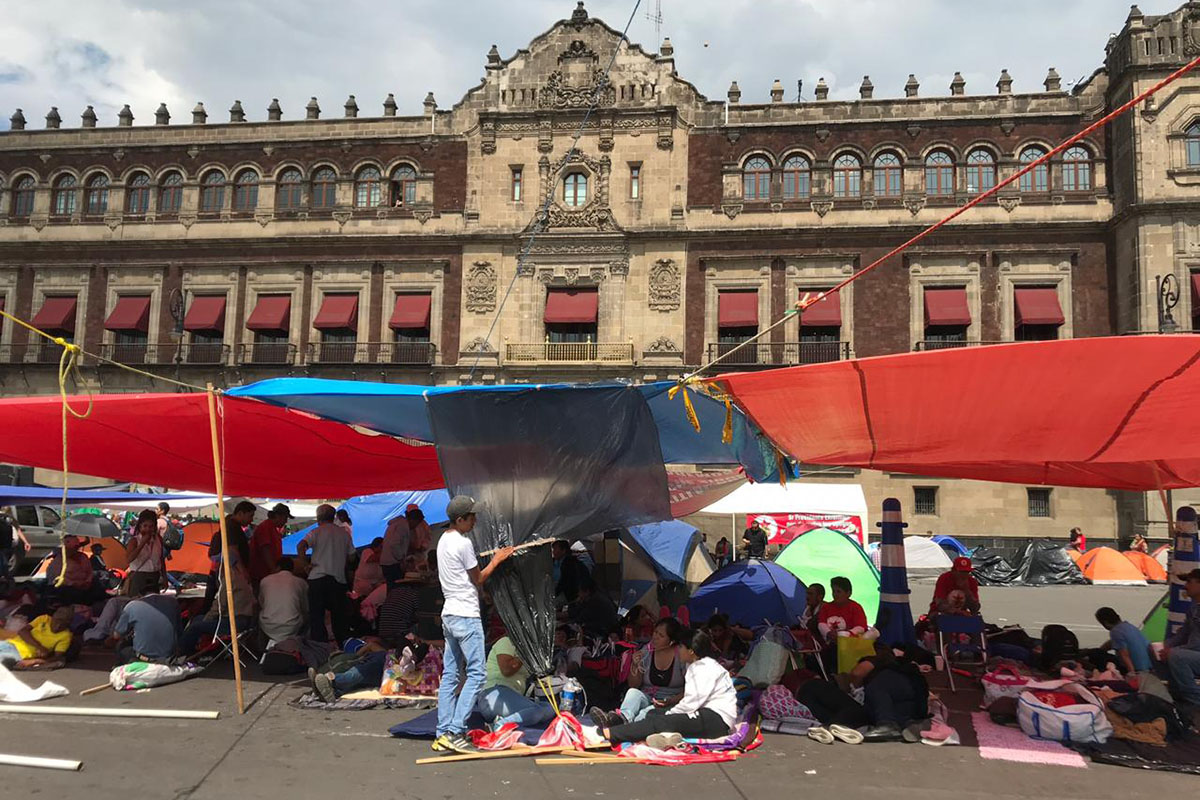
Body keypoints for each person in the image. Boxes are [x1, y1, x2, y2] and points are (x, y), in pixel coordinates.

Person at [432, 495, 514, 755]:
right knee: (477, 675)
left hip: (450, 614)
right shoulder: (463, 543)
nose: (475, 521)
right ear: (460, 519)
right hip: (466, 616)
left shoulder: (443, 540)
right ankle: (456, 731)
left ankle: (443, 731)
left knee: (451, 675)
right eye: (471, 517)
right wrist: (498, 559)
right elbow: (478, 578)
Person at [602, 627, 737, 747]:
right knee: (652, 714)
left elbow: (691, 703)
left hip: (716, 719)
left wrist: (668, 715)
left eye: (681, 647)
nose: (679, 650)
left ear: (691, 651)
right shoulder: (695, 665)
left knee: (661, 721)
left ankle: (612, 733)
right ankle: (666, 738)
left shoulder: (704, 668)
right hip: (705, 714)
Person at [591, 618, 686, 728]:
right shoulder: (647, 651)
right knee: (633, 693)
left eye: (661, 635)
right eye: (655, 632)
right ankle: (621, 718)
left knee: (643, 715)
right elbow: (634, 685)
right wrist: (635, 664)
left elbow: (691, 689)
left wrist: (672, 700)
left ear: (671, 641)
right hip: (648, 696)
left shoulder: (681, 655)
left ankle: (619, 726)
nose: (655, 637)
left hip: (669, 701)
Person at [297, 504, 355, 644]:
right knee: (338, 618)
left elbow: (300, 546)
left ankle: (319, 649)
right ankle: (342, 648)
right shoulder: (344, 534)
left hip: (317, 578)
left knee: (317, 617)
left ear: (318, 518)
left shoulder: (316, 532)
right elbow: (352, 557)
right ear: (333, 517)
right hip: (338, 580)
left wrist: (305, 565)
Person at [476, 634, 556, 730]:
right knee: (537, 711)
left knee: (550, 708)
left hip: (514, 697)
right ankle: (499, 726)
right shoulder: (507, 641)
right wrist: (526, 653)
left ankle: (507, 721)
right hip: (493, 694)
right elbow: (507, 670)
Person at [204, 500, 256, 613]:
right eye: (250, 516)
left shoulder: (234, 527)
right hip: (233, 570)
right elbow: (233, 550)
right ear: (241, 513)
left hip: (231, 569)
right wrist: (243, 571)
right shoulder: (232, 527)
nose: (251, 519)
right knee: (225, 601)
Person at [111, 588, 179, 664]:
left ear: (138, 594)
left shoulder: (132, 605)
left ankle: (120, 667)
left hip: (143, 658)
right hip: (168, 658)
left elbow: (117, 635)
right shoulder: (173, 603)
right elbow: (179, 632)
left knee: (121, 646)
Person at [1163, 568, 1200, 706]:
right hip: (1193, 653)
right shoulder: (1193, 608)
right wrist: (1165, 645)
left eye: (1189, 582)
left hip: (1194, 652)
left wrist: (1174, 650)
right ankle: (1175, 695)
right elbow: (1183, 634)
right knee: (1157, 651)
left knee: (1176, 656)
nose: (1185, 586)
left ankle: (1195, 701)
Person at [0, 606, 74, 668]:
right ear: (53, 617)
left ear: (68, 624)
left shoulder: (66, 635)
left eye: (63, 624)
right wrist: (40, 647)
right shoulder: (44, 619)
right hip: (9, 644)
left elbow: (57, 656)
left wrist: (36, 661)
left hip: (19, 654)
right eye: (57, 621)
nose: (58, 626)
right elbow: (22, 632)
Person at [258, 557, 308, 643]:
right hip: (292, 626)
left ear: (278, 567)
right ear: (292, 569)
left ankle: (262, 650)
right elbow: (305, 607)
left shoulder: (265, 580)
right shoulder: (301, 583)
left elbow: (262, 603)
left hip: (268, 625)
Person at [1093, 606, 1152, 680]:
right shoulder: (1130, 627)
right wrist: (1100, 650)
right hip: (1148, 667)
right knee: (1098, 652)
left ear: (1105, 623)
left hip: (1137, 669)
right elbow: (1112, 643)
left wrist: (1132, 673)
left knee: (1099, 659)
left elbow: (1124, 654)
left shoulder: (1115, 632)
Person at [45, 534, 105, 605]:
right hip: (69, 592)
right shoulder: (60, 561)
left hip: (77, 589)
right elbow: (68, 580)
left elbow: (88, 574)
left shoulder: (81, 557)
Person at [125, 509, 165, 597]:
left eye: (151, 526)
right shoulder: (134, 541)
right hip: (139, 576)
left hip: (154, 575)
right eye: (145, 526)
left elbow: (161, 558)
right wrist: (142, 543)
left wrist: (165, 578)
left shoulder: (158, 540)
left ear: (155, 527)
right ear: (140, 526)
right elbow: (129, 559)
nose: (148, 529)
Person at [249, 503, 291, 586]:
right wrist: (273, 569)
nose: (286, 521)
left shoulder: (271, 528)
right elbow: (265, 548)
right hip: (262, 573)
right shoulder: (266, 527)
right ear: (278, 516)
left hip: (267, 573)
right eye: (285, 518)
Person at [819, 576, 870, 642]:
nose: (835, 594)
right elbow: (821, 623)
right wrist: (828, 633)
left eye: (839, 592)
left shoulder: (856, 608)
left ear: (848, 593)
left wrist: (846, 634)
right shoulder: (826, 607)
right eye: (833, 591)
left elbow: (861, 627)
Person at [552, 540, 588, 606]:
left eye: (555, 549)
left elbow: (564, 582)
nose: (553, 552)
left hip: (566, 593)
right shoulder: (553, 562)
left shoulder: (570, 563)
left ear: (563, 550)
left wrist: (554, 594)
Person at [380, 510, 411, 587]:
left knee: (392, 588)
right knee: (397, 588)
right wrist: (401, 558)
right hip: (393, 563)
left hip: (387, 562)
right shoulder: (402, 525)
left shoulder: (394, 524)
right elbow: (394, 544)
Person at [0, 506, 29, 584]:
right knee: (5, 563)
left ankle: (5, 578)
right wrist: (26, 542)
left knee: (4, 563)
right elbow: (18, 530)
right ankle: (6, 578)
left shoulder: (7, 518)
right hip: (9, 544)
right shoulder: (10, 518)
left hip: (4, 544)